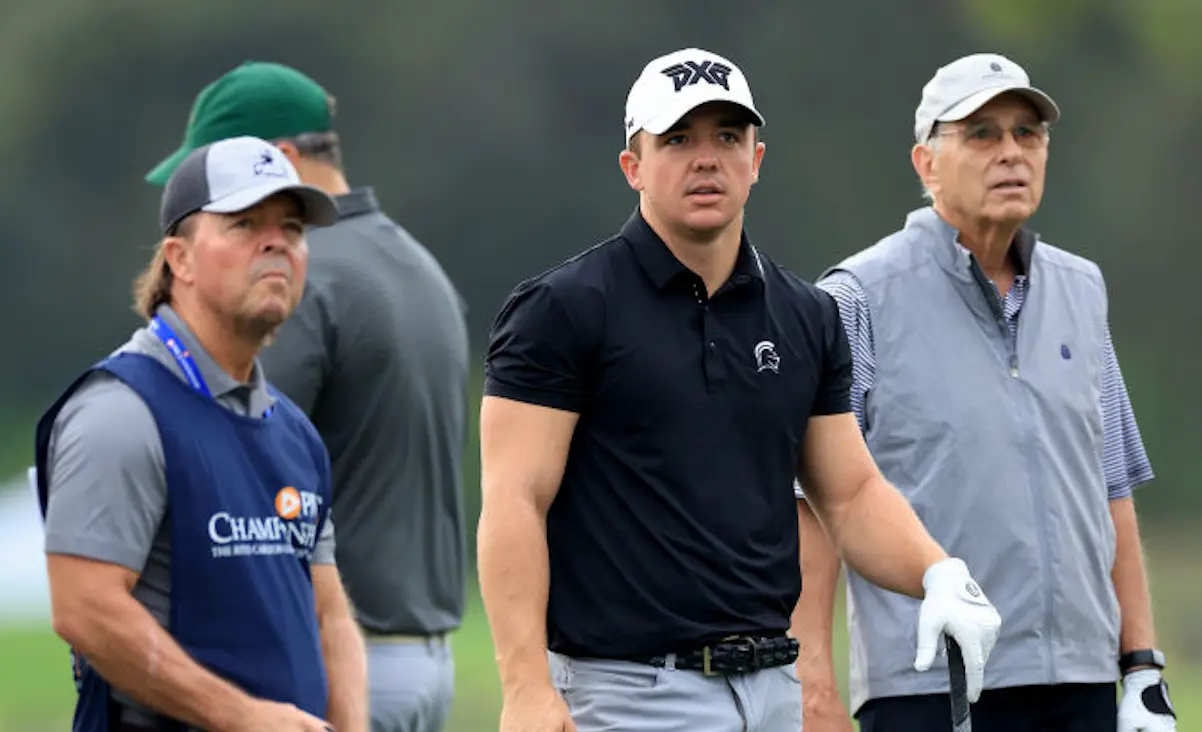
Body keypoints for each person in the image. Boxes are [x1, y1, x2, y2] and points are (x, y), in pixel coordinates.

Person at [476, 46, 1003, 732]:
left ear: (755, 160)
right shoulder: (563, 308)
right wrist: (524, 686)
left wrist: (936, 572)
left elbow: (849, 494)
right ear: (633, 166)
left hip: (772, 692)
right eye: (678, 140)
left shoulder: (806, 315)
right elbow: (516, 499)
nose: (707, 159)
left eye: (727, 137)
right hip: (628, 695)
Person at [793, 52, 1177, 732]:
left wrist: (1141, 667)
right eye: (982, 134)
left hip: (1081, 683)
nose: (1011, 153)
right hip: (929, 687)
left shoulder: (1081, 290)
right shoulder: (857, 297)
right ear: (926, 163)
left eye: (1028, 133)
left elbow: (1111, 489)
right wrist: (812, 684)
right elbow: (814, 505)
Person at [145, 61, 470, 732]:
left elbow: (229, 459)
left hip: (332, 661)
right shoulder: (420, 266)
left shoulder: (300, 276)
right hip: (426, 663)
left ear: (283, 161)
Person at [33, 135, 368, 732]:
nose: (277, 242)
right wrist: (243, 717)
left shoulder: (294, 432)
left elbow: (328, 617)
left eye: (292, 228)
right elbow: (85, 610)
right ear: (179, 259)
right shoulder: (121, 412)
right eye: (245, 224)